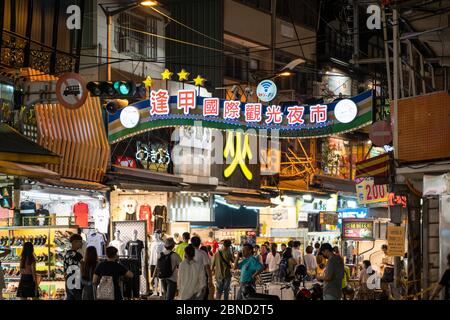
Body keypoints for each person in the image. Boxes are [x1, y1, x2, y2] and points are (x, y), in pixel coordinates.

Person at [64, 234, 83, 300]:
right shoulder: (78, 255)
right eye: (80, 241)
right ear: (74, 242)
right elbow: (82, 268)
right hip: (76, 282)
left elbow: (65, 270)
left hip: (68, 281)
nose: (82, 243)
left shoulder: (67, 254)